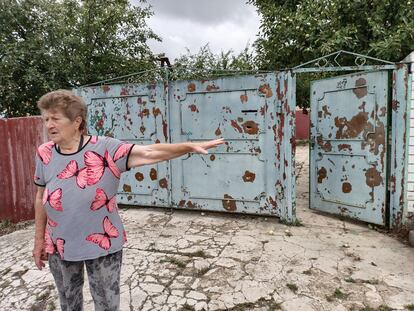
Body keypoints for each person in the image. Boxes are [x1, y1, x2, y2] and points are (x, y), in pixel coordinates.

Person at [32, 89, 224, 311]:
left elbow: (150, 152)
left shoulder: (106, 148)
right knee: (68, 302)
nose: (48, 125)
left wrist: (187, 147)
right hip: (60, 244)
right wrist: (39, 242)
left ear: (76, 122)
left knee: (106, 304)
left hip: (102, 244)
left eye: (55, 118)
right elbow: (40, 196)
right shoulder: (44, 152)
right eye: (45, 119)